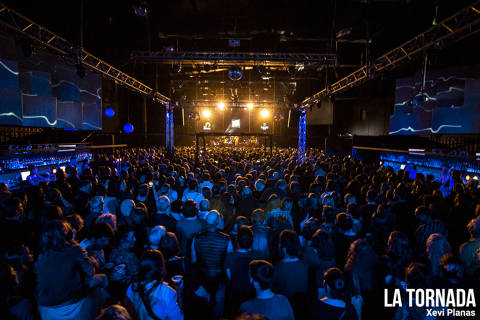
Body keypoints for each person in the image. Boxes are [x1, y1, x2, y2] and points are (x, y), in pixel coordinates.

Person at [35, 220, 104, 320]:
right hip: (69, 304)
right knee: (103, 279)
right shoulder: (73, 249)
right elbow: (90, 271)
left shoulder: (42, 254)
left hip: (44, 307)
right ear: (66, 233)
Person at [125, 249, 183, 320]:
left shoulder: (132, 288)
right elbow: (177, 318)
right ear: (161, 267)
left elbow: (128, 313)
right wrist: (179, 293)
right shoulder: (167, 292)